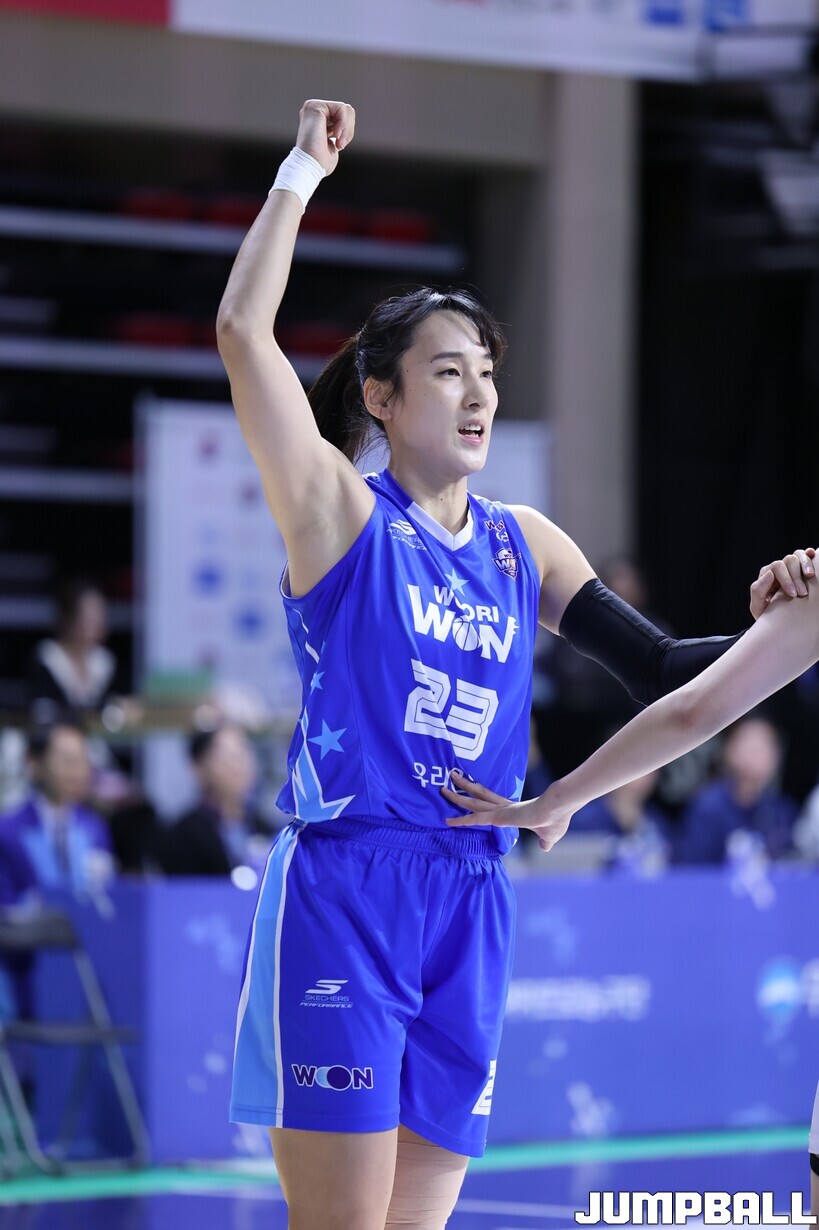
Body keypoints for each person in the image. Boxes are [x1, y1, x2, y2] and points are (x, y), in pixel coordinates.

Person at [216, 98, 815, 1230]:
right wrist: (300, 171)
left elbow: (663, 672)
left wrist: (785, 615)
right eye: (447, 371)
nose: (479, 391)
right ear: (382, 396)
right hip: (349, 886)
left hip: (474, 890)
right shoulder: (341, 514)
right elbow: (246, 335)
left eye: (486, 370)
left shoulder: (522, 543)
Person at [0, 719, 113, 1018]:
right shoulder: (7, 832)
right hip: (26, 977)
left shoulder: (95, 828)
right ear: (34, 764)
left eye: (83, 760)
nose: (77, 771)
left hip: (88, 977)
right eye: (66, 760)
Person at [675, 716, 797, 864]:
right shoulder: (707, 807)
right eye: (751, 747)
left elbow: (790, 864)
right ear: (730, 750)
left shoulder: (781, 811)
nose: (757, 755)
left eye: (765, 747)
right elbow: (692, 866)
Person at [163, 724, 269, 877]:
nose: (241, 765)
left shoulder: (265, 828)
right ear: (200, 766)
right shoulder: (183, 835)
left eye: (244, 753)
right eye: (230, 757)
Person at [27, 580, 117, 719]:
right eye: (89, 620)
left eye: (100, 618)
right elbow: (41, 713)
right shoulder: (47, 658)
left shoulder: (103, 662)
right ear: (69, 619)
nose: (98, 627)